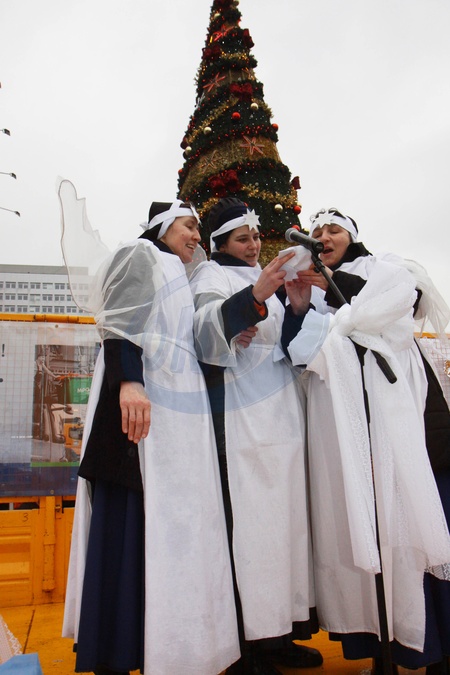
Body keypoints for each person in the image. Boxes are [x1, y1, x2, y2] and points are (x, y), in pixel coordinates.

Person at [62, 200, 240, 675]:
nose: (196, 236)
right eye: (188, 226)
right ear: (162, 228)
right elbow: (119, 320)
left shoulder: (182, 273)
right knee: (135, 513)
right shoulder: (141, 254)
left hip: (178, 413)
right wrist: (130, 381)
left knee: (173, 523)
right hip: (144, 403)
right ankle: (120, 649)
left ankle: (171, 644)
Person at [282, 207, 450, 674]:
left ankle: (431, 646)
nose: (323, 236)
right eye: (317, 231)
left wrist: (330, 282)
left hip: (395, 412)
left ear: (352, 236)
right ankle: (381, 651)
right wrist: (300, 308)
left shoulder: (383, 268)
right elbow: (297, 350)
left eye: (333, 229)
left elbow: (402, 303)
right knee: (356, 526)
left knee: (408, 522)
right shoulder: (308, 283)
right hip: (339, 422)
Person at [189, 197, 322, 675]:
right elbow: (203, 332)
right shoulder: (211, 276)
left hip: (282, 411)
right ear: (220, 243)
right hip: (241, 413)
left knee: (287, 523)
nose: (253, 245)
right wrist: (251, 300)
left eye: (255, 237)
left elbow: (287, 344)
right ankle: (247, 643)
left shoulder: (265, 277)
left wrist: (298, 307)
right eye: (242, 238)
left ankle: (279, 633)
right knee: (251, 528)